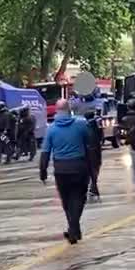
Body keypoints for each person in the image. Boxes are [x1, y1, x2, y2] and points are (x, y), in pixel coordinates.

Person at [39, 99, 91, 244]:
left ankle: (73, 229)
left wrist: (42, 171)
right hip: (79, 167)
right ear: (69, 109)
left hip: (61, 170)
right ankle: (74, 229)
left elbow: (45, 152)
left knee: (66, 201)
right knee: (79, 198)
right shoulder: (81, 124)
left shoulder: (51, 129)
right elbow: (89, 143)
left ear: (56, 110)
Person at [84, 109, 104, 202]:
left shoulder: (83, 127)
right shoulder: (96, 125)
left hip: (87, 152)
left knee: (89, 171)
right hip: (95, 151)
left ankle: (92, 188)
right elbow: (101, 138)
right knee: (95, 171)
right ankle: (93, 188)